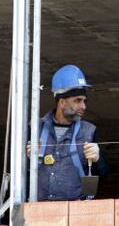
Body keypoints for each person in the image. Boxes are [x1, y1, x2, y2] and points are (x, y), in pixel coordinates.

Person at [27, 64, 108, 201]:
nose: (83, 106)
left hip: (75, 213)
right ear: (62, 102)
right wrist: (27, 158)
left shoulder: (89, 131)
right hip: (38, 211)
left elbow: (104, 174)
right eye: (78, 101)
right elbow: (17, 175)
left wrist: (98, 159)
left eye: (84, 101)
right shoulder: (35, 129)